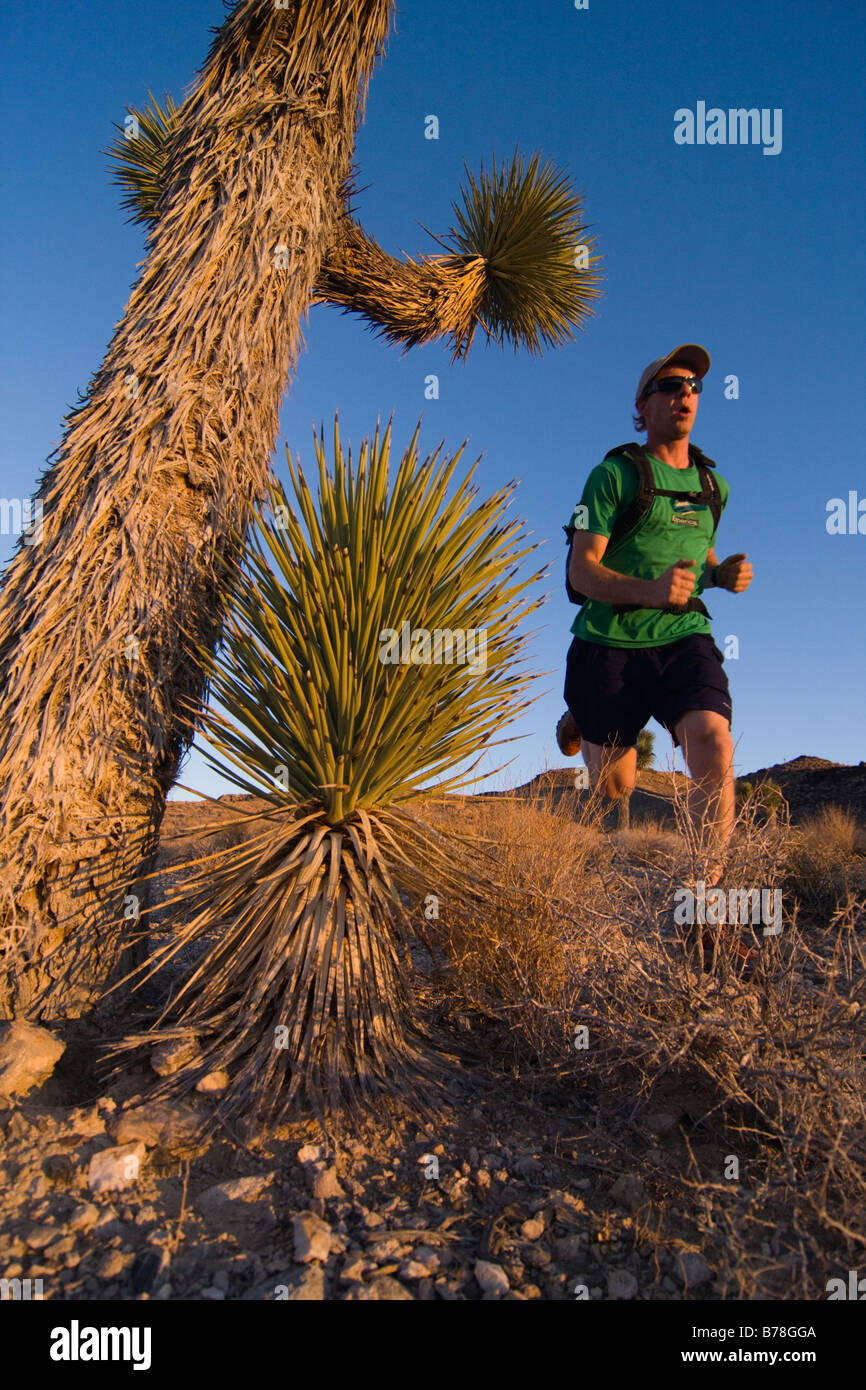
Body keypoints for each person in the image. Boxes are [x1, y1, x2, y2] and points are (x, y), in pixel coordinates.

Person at [557, 344, 754, 958]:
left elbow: (702, 559)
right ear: (642, 408)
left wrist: (722, 575)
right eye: (670, 384)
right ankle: (582, 720)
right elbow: (581, 572)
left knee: (714, 742)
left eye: (693, 384)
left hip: (681, 638)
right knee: (615, 789)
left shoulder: (712, 484)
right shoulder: (614, 474)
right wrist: (648, 589)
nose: (685, 392)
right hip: (607, 643)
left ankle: (704, 910)